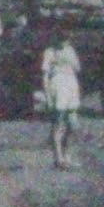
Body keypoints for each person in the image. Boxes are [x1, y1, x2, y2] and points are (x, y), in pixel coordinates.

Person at [40, 24, 82, 169]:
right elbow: (45, 75)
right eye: (62, 39)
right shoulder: (49, 52)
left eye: (66, 39)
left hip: (71, 84)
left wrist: (68, 58)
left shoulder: (70, 51)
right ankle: (58, 158)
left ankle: (67, 155)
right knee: (58, 122)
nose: (64, 42)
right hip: (57, 85)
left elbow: (77, 68)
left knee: (73, 123)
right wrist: (48, 96)